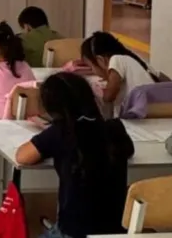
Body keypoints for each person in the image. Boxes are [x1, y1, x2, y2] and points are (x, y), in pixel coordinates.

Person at [15, 72, 135, 238]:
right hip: (115, 231)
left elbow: (22, 157)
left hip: (75, 231)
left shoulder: (61, 132)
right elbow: (129, 151)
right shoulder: (114, 128)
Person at [80, 31, 155, 115]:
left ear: (101, 60)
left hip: (137, 118)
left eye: (91, 67)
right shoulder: (131, 61)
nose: (93, 72)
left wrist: (98, 94)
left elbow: (109, 96)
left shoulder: (116, 59)